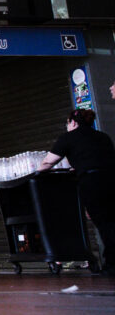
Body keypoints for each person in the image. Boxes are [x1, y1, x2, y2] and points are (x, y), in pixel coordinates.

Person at [38, 109, 115, 275]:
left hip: (92, 182)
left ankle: (112, 265)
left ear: (73, 122)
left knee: (104, 224)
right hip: (111, 180)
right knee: (111, 220)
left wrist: (36, 173)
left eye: (67, 123)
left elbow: (47, 163)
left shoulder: (68, 138)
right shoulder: (103, 136)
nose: (67, 126)